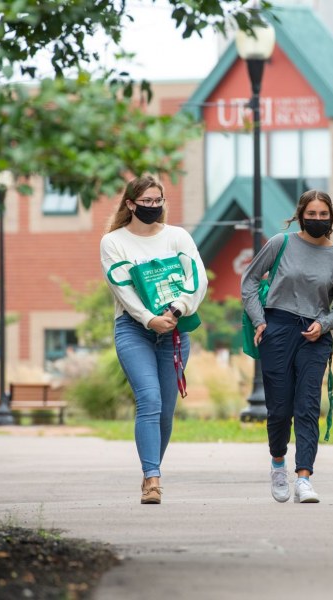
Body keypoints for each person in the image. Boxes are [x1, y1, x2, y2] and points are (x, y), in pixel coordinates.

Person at [241, 189, 333, 504]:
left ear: (331, 217)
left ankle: (304, 477)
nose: (317, 219)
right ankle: (278, 464)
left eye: (323, 215)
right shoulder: (281, 243)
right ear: (301, 214)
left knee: (307, 407)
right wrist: (259, 320)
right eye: (312, 214)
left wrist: (325, 324)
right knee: (279, 410)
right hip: (277, 329)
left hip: (314, 336)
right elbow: (249, 281)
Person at [100, 175, 207, 504]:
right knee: (149, 400)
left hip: (175, 329)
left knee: (165, 411)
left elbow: (197, 278)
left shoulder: (178, 237)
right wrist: (148, 319)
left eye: (157, 201)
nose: (152, 207)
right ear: (130, 204)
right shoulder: (113, 242)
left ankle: (152, 469)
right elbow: (122, 287)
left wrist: (175, 311)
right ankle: (152, 479)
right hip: (134, 330)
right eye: (145, 202)